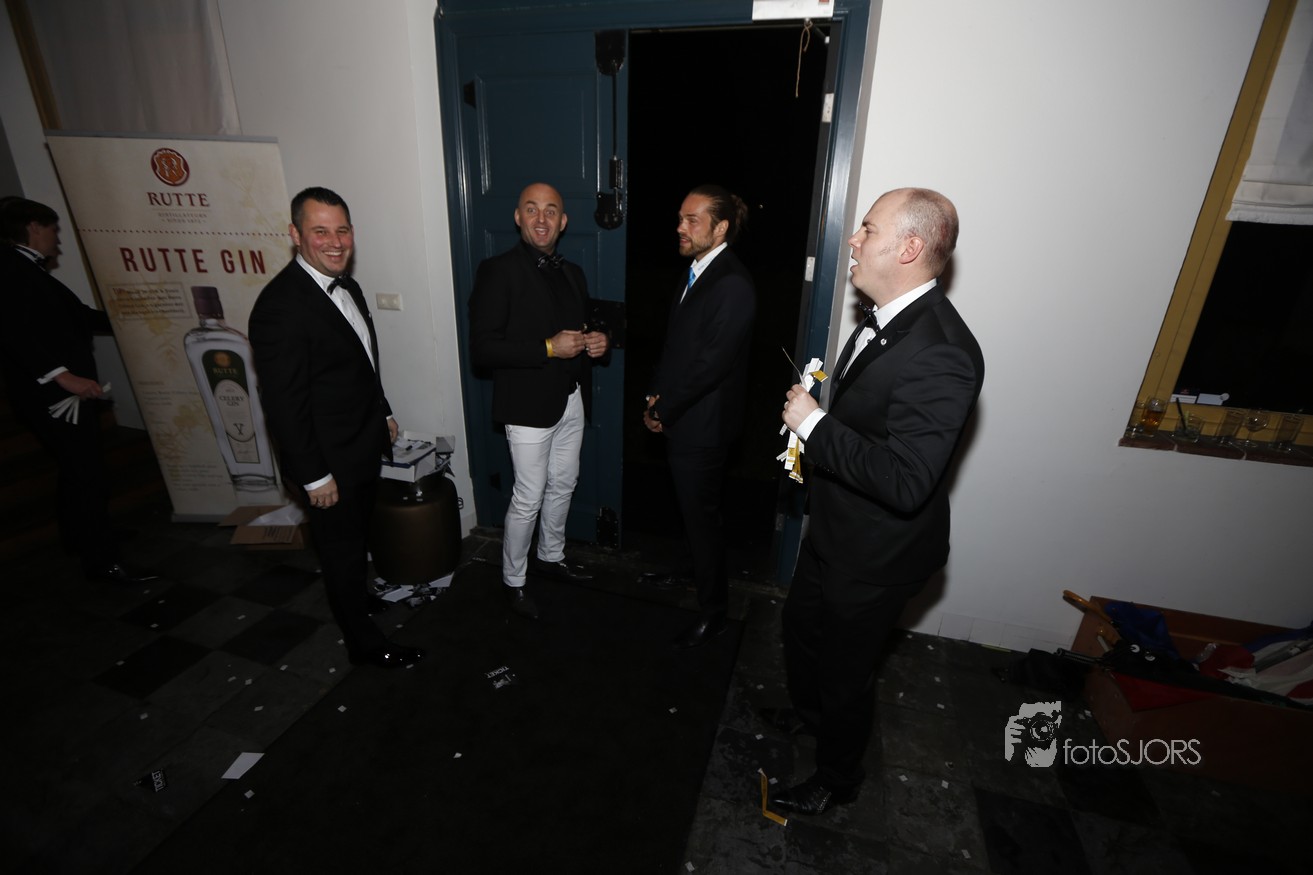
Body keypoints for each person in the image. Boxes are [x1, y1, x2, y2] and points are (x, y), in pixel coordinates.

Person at [773, 187, 984, 814]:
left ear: (910, 248)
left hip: (877, 553)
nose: (854, 240)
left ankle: (838, 779)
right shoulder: (884, 317)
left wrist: (815, 426)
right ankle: (811, 718)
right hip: (836, 529)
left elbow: (907, 480)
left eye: (868, 229)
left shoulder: (944, 351)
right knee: (801, 631)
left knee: (846, 673)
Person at [249, 187, 423, 669]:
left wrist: (383, 411)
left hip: (360, 445)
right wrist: (313, 476)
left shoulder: (350, 286)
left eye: (342, 230)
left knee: (356, 540)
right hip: (326, 462)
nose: (335, 241)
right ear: (295, 234)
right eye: (320, 231)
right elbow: (283, 405)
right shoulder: (279, 307)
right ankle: (365, 646)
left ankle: (356, 600)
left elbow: (362, 364)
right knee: (341, 552)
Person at [469, 182, 610, 620]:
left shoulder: (573, 273)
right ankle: (513, 580)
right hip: (527, 406)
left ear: (563, 222)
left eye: (551, 211)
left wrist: (596, 342)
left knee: (564, 483)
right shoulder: (497, 270)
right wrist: (548, 348)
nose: (542, 218)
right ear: (518, 218)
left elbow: (579, 331)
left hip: (571, 399)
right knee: (528, 496)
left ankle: (551, 555)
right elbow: (483, 349)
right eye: (532, 209)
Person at [0, 196, 155, 583]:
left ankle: (79, 536)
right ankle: (102, 562)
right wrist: (63, 376)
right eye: (54, 229)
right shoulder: (10, 268)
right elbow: (12, 331)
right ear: (34, 226)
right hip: (53, 396)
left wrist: (130, 318)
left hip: (56, 392)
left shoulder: (25, 269)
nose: (58, 238)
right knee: (86, 473)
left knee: (75, 469)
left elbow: (76, 316)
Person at [643, 185, 756, 649]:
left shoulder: (732, 284)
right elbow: (677, 346)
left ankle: (715, 613)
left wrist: (664, 408)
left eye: (692, 220)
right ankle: (689, 571)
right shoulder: (696, 271)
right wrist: (655, 393)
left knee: (703, 519)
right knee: (691, 511)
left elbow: (711, 366)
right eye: (680, 218)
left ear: (720, 228)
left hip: (703, 426)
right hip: (682, 415)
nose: (680, 228)